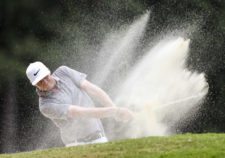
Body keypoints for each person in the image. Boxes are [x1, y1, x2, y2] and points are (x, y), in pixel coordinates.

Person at [26, 61, 134, 147]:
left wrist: (114, 109)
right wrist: (115, 112)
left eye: (45, 77)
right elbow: (80, 112)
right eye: (39, 81)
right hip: (76, 144)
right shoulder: (45, 106)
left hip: (98, 136)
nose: (45, 82)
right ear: (35, 85)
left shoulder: (63, 72)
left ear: (49, 72)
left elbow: (92, 89)